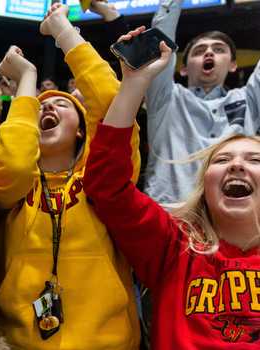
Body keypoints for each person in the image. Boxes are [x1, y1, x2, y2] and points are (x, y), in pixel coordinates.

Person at [83, 25, 260, 349]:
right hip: (174, 231)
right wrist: (135, 83)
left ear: (234, 64)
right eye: (220, 161)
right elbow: (106, 186)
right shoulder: (173, 246)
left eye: (254, 159)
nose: (236, 164)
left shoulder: (246, 99)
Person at [0, 4, 141, 349]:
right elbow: (16, 162)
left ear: (83, 131)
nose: (46, 107)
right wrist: (26, 78)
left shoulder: (104, 179)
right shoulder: (11, 186)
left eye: (61, 105)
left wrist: (64, 33)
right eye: (36, 106)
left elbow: (114, 102)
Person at [143, 0, 260, 204]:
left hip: (233, 216)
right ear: (183, 68)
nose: (208, 52)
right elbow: (161, 40)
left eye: (219, 49)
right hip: (170, 215)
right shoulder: (165, 98)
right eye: (199, 51)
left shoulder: (248, 99)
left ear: (233, 65)